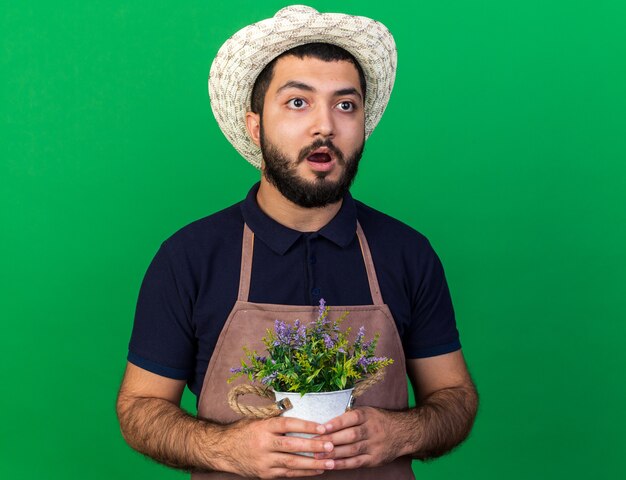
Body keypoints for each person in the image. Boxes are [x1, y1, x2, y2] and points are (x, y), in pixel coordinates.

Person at [116, 5, 478, 480]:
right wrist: (226, 448)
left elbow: (455, 398)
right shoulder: (189, 257)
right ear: (254, 125)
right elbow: (140, 407)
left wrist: (399, 433)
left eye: (345, 105)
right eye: (298, 102)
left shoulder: (407, 252)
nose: (324, 125)